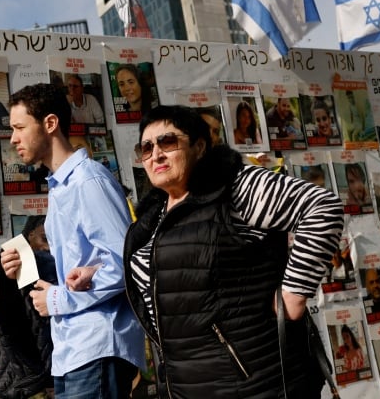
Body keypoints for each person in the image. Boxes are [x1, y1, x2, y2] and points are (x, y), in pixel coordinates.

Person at [83, 104, 345, 397]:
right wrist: (96, 273)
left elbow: (322, 208)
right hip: (190, 386)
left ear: (199, 146)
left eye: (167, 142)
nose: (155, 154)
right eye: (146, 147)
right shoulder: (152, 218)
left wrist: (294, 293)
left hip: (260, 385)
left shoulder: (232, 187)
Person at [1, 83, 144, 399]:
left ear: (50, 124)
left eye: (20, 127)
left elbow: (125, 263)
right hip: (73, 351)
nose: (13, 139)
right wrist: (32, 262)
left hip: (97, 346)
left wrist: (56, 300)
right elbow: (78, 265)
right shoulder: (61, 186)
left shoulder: (88, 181)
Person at [0, 213, 57, 399]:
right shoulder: (13, 270)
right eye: (44, 238)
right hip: (26, 381)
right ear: (30, 235)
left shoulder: (60, 273)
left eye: (56, 242)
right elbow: (9, 325)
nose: (48, 247)